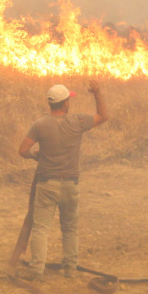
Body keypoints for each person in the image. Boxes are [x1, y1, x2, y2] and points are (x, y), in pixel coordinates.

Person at [17, 80, 109, 280]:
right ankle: (70, 269)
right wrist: (97, 93)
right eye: (69, 100)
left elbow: (22, 150)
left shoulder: (40, 125)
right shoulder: (78, 121)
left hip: (46, 184)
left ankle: (36, 270)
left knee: (41, 228)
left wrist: (35, 156)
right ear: (65, 103)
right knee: (69, 228)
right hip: (70, 184)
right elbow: (103, 116)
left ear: (51, 104)